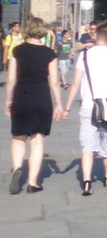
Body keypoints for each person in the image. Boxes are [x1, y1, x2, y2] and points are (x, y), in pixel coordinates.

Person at [63, 23, 107, 196]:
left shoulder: (85, 55)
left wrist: (66, 108)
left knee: (88, 146)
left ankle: (87, 182)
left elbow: (75, 84)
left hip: (89, 106)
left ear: (95, 37)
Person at [7, 18, 65, 194]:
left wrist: (8, 101)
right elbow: (54, 82)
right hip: (41, 97)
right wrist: (59, 105)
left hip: (21, 96)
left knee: (19, 137)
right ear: (44, 32)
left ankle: (17, 168)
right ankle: (33, 183)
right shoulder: (49, 53)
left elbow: (10, 79)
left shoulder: (17, 51)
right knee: (37, 139)